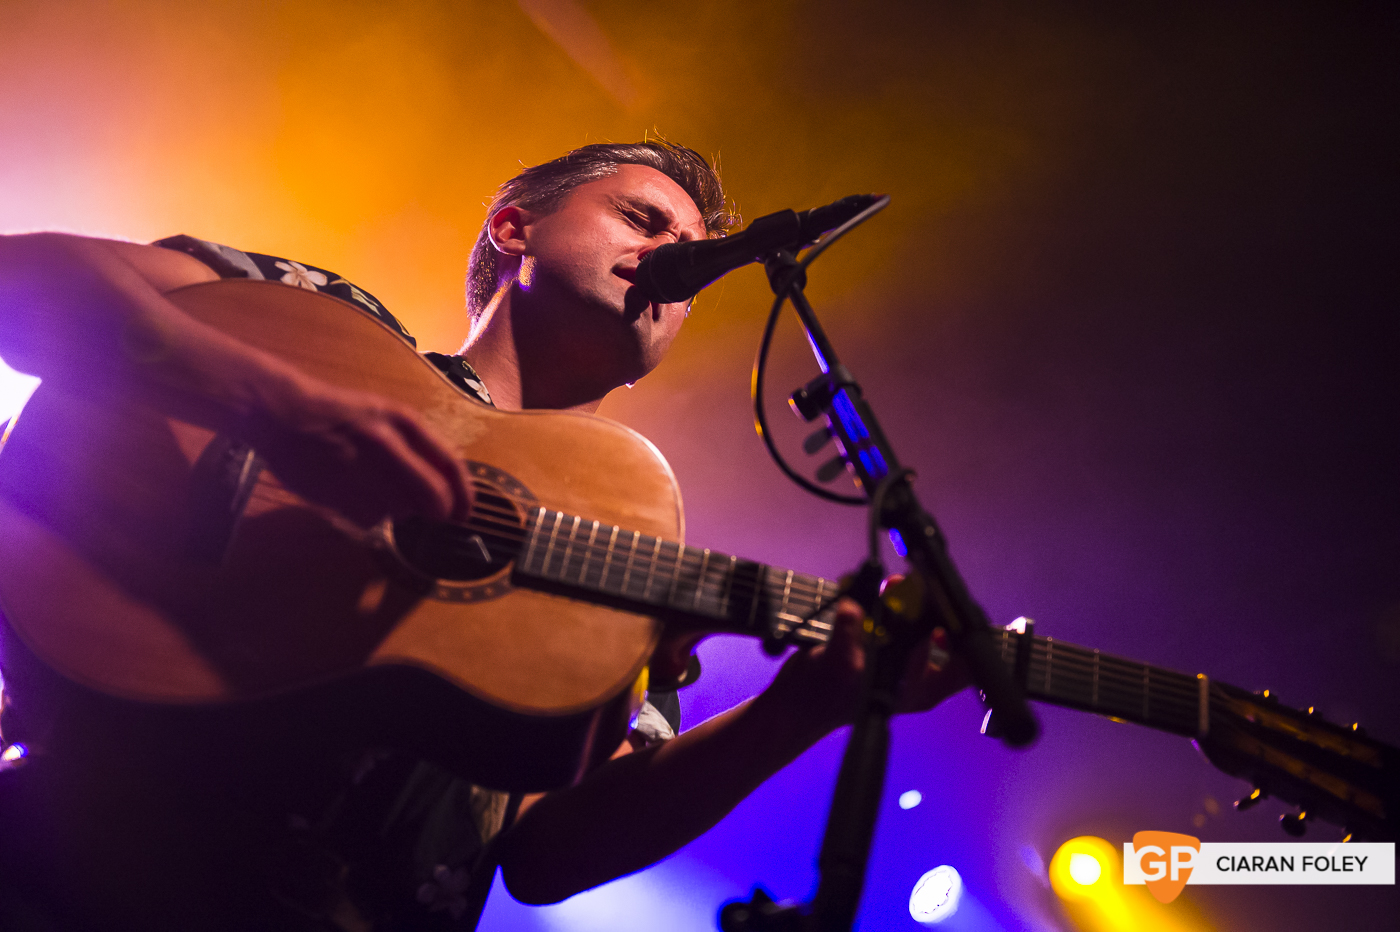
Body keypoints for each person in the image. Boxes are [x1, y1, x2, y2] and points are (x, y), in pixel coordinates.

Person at [0, 141, 964, 930]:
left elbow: (551, 853)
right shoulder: (326, 326)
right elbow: (23, 276)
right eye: (643, 220)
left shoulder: (632, 537)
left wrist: (799, 711)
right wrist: (276, 404)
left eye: (698, 256)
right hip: (76, 862)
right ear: (515, 226)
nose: (680, 256)